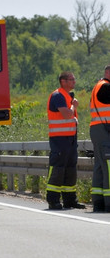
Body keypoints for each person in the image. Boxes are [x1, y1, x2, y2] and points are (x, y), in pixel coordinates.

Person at [46, 71, 85, 210]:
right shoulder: (58, 95)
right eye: (71, 79)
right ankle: (53, 200)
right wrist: (74, 106)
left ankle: (70, 200)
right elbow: (67, 114)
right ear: (63, 81)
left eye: (74, 79)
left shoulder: (68, 97)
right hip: (59, 140)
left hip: (70, 139)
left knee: (70, 169)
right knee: (58, 168)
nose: (74, 81)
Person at [89, 65, 110, 212]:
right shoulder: (106, 87)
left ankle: (98, 202)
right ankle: (108, 202)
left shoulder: (99, 86)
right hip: (105, 130)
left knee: (100, 166)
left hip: (97, 129)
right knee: (108, 166)